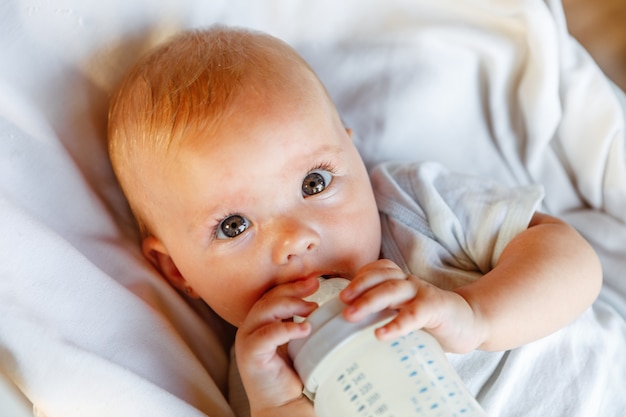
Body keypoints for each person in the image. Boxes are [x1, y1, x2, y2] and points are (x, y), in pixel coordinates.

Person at [107, 26, 602, 417]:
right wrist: (279, 406)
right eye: (234, 225)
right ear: (178, 272)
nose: (295, 240)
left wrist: (474, 316)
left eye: (315, 184)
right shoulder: (266, 370)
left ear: (354, 154)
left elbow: (571, 259)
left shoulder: (412, 204)